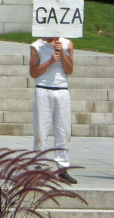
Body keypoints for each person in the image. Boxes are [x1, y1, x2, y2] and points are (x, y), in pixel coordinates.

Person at [30, 34, 76, 184]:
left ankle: (62, 167)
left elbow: (69, 70)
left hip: (62, 89)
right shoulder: (37, 46)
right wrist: (50, 61)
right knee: (41, 131)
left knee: (63, 130)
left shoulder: (67, 43)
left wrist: (61, 53)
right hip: (43, 88)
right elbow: (33, 72)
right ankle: (38, 166)